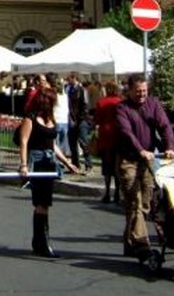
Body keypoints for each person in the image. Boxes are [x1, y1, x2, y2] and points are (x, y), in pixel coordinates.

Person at [115, 75, 174, 259]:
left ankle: (130, 244)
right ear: (130, 90)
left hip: (148, 160)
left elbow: (164, 125)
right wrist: (140, 150)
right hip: (128, 159)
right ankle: (142, 245)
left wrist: (169, 147)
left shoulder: (153, 104)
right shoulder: (122, 108)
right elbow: (126, 133)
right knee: (134, 203)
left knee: (146, 204)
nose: (142, 95)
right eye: (138, 91)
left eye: (144, 91)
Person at [18, 87, 79, 257]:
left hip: (49, 163)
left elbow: (52, 145)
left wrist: (67, 162)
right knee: (41, 203)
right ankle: (43, 243)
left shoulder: (50, 119)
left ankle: (39, 241)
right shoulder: (30, 119)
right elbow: (24, 142)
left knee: (45, 204)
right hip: (37, 163)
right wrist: (23, 165)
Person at [94, 80, 123, 204]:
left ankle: (107, 192)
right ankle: (117, 192)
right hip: (118, 136)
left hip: (105, 136)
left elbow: (97, 119)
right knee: (117, 166)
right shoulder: (121, 102)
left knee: (106, 166)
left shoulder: (101, 102)